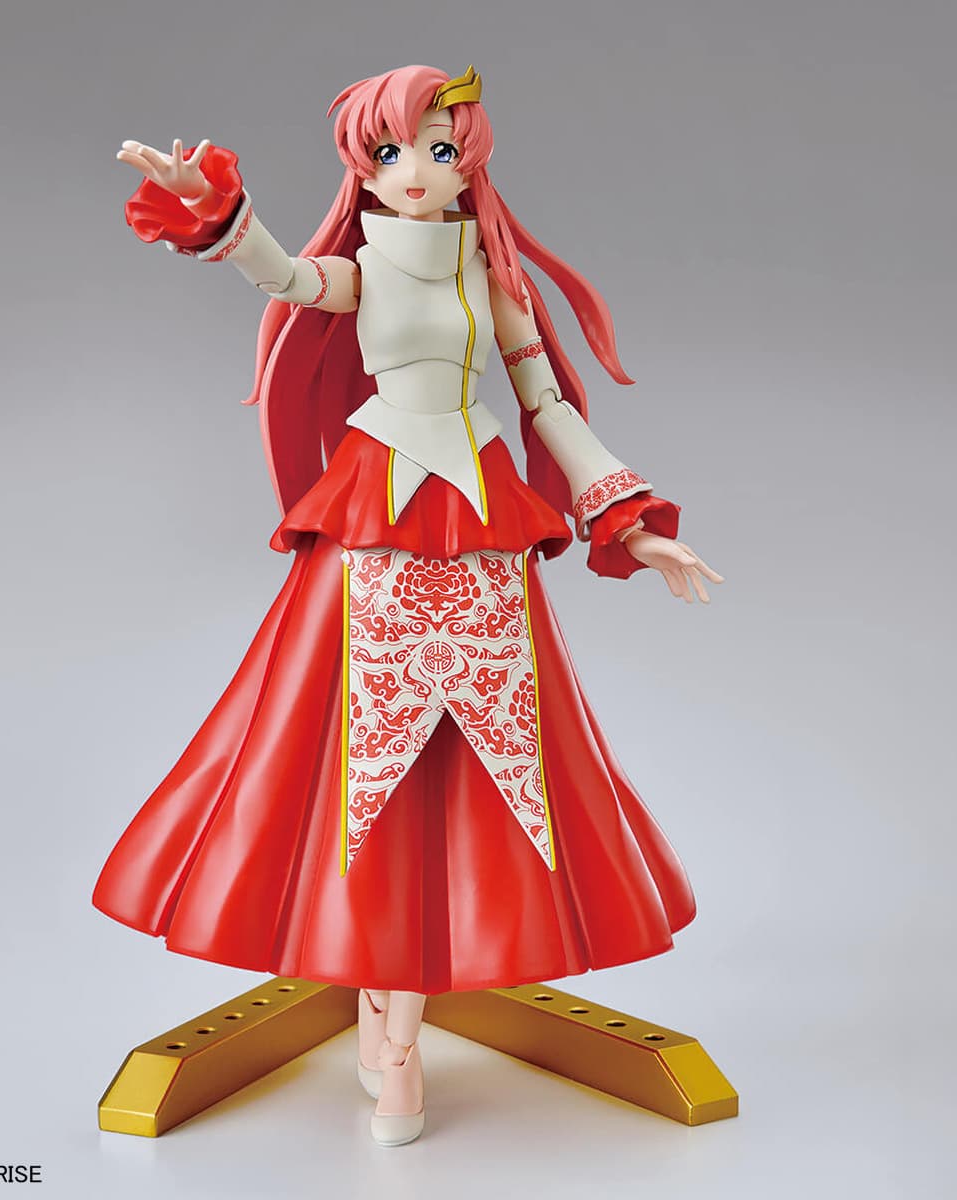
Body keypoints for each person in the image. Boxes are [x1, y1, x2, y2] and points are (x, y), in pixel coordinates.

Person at [93, 63, 723, 1147]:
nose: (416, 172)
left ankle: (410, 1002)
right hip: (376, 509)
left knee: (495, 757)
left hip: (478, 513)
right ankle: (387, 1029)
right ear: (363, 168)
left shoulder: (495, 279)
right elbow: (286, 278)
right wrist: (215, 209)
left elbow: (547, 405)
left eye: (439, 149)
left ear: (470, 161)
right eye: (389, 153)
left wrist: (627, 520)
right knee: (349, 757)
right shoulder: (364, 268)